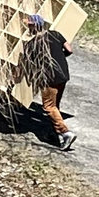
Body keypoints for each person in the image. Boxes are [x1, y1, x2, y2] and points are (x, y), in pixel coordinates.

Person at [19, 13, 76, 149]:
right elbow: (69, 49)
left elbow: (27, 65)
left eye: (29, 25)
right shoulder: (55, 34)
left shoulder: (32, 44)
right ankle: (55, 133)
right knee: (55, 105)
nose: (28, 28)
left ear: (34, 27)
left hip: (49, 79)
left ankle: (65, 132)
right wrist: (61, 55)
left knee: (49, 106)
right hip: (63, 75)